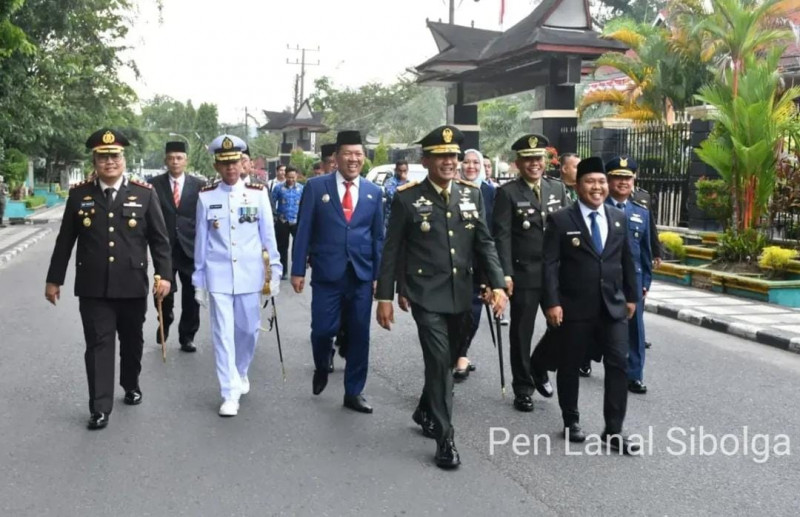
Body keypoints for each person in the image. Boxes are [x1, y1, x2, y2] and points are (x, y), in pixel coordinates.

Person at [375, 125, 508, 469]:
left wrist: (496, 284)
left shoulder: (471, 195)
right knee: (437, 360)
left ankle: (424, 409)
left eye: (453, 156)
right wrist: (386, 296)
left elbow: (485, 243)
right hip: (425, 294)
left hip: (462, 294)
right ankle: (445, 438)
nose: (449, 162)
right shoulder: (407, 198)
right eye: (441, 156)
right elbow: (392, 250)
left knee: (447, 361)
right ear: (426, 160)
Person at [45, 128, 173, 430]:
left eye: (114, 156)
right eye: (103, 157)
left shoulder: (144, 194)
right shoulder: (79, 195)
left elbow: (160, 240)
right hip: (93, 287)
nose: (109, 162)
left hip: (132, 284)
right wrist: (54, 280)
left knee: (132, 340)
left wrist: (164, 275)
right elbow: (65, 241)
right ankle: (100, 406)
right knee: (98, 343)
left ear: (124, 159)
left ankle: (130, 383)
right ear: (95, 160)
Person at [542, 156, 640, 453]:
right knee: (569, 364)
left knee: (618, 364)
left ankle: (614, 429)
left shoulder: (617, 218)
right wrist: (552, 302)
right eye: (589, 182)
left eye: (600, 182)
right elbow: (548, 265)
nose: (596, 188)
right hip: (574, 307)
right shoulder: (561, 219)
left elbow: (626, 260)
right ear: (578, 185)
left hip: (613, 306)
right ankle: (571, 419)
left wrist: (632, 296)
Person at [291, 130, 384, 414]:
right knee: (322, 330)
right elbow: (304, 229)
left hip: (361, 275)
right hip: (327, 273)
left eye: (358, 154)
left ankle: (354, 392)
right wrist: (297, 270)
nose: (353, 159)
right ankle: (322, 364)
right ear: (336, 157)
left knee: (359, 334)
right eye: (347, 154)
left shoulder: (373, 192)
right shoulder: (317, 187)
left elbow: (378, 237)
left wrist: (380, 276)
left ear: (363, 158)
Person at [193, 134, 282, 417]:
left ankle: (241, 370)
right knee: (222, 335)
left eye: (235, 163)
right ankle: (229, 392)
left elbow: (268, 237)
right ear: (217, 166)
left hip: (249, 275)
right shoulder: (206, 197)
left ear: (242, 164)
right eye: (224, 164)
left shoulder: (257, 194)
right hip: (218, 275)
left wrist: (275, 273)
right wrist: (199, 280)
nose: (230, 169)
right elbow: (201, 241)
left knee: (247, 331)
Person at [492, 134, 568, 413]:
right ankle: (523, 387)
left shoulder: (556, 189)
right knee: (521, 333)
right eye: (528, 160)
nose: (534, 164)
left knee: (563, 326)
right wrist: (504, 275)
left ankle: (540, 364)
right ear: (518, 164)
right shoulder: (507, 193)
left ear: (545, 161)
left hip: (556, 274)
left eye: (538, 159)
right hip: (524, 274)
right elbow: (501, 237)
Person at [149, 141, 205, 352]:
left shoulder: (199, 186)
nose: (175, 161)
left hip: (191, 248)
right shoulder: (154, 184)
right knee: (163, 292)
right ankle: (166, 318)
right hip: (164, 248)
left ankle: (187, 336)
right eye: (171, 158)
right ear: (166, 160)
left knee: (192, 295)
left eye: (179, 157)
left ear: (186, 160)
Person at [605, 156, 652, 394]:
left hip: (632, 281)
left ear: (634, 180)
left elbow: (645, 253)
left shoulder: (641, 213)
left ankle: (634, 374)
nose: (623, 182)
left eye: (627, 178)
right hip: (603, 280)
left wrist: (645, 283)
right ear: (608, 180)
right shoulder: (600, 209)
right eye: (617, 177)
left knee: (635, 330)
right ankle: (585, 358)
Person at [452, 148, 495, 381]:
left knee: (473, 314)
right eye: (466, 162)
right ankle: (457, 355)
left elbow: (494, 233)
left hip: (482, 265)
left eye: (475, 163)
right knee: (457, 313)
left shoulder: (491, 193)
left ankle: (461, 353)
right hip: (457, 262)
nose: (471, 167)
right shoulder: (453, 189)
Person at [273, 166, 303, 280]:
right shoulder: (278, 188)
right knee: (282, 247)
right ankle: (283, 271)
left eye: (293, 177)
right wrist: (275, 217)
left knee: (297, 246)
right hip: (282, 221)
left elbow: (305, 204)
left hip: (296, 221)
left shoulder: (302, 188)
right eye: (289, 177)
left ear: (296, 177)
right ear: (285, 176)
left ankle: (296, 270)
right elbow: (272, 202)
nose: (291, 180)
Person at [382, 160, 409, 231]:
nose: (402, 173)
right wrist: (403, 182)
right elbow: (393, 196)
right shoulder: (390, 182)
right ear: (396, 170)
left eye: (404, 171)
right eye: (400, 171)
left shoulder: (409, 182)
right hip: (392, 220)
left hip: (405, 220)